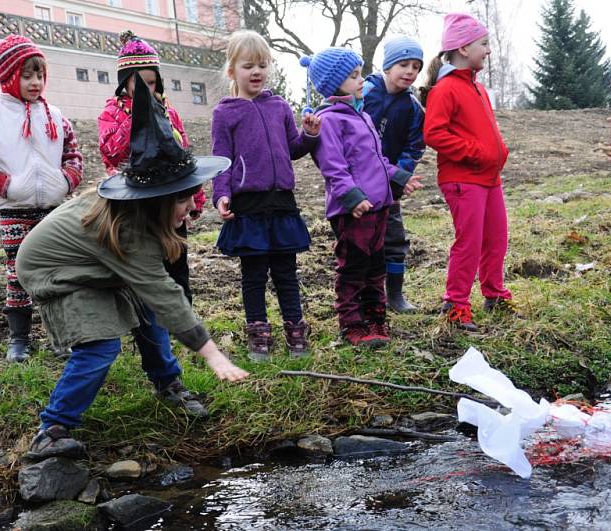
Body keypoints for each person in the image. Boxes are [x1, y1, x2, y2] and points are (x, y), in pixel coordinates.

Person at [17, 73, 249, 460]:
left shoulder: (145, 218)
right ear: (155, 200)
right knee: (101, 345)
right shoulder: (130, 231)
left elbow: (156, 296)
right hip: (55, 272)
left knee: (147, 312)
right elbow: (163, 292)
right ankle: (53, 428)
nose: (192, 207)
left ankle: (168, 384)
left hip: (91, 265)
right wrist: (213, 354)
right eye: (182, 200)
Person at [97, 31, 208, 417]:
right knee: (146, 286)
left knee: (175, 272)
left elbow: (183, 155)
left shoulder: (169, 111)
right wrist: (141, 122)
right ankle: (160, 363)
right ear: (124, 82)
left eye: (151, 81)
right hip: (135, 210)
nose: (147, 88)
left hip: (169, 209)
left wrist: (194, 199)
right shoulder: (113, 113)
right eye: (138, 82)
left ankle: (180, 329)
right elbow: (112, 150)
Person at [0, 34, 83, 362]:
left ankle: (62, 337)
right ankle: (19, 339)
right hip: (15, 208)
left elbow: (73, 155)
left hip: (54, 208)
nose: (36, 82)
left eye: (40, 75)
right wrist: (4, 185)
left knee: (58, 271)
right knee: (18, 273)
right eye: (27, 75)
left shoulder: (55, 115)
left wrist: (66, 180)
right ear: (8, 76)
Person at [300, 47, 421, 348]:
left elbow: (378, 160)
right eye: (353, 76)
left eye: (359, 74)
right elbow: (333, 167)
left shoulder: (362, 115)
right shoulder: (329, 120)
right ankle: (352, 324)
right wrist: (352, 198)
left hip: (379, 206)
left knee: (375, 266)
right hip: (354, 210)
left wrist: (400, 178)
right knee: (353, 268)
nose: (361, 81)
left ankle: (375, 318)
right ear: (333, 83)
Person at [211, 30, 321, 361]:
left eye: (262, 65)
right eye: (248, 66)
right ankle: (258, 335)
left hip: (282, 204)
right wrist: (221, 195)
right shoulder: (225, 113)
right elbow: (221, 161)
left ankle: (295, 332)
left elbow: (292, 148)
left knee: (287, 273)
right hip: (249, 206)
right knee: (254, 275)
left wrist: (310, 135)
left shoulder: (279, 106)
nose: (256, 72)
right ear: (232, 71)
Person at [420, 13, 513, 333]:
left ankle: (495, 294)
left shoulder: (478, 88)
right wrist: (477, 153)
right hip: (462, 179)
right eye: (483, 44)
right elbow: (434, 134)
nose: (488, 50)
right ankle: (456, 304)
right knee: (469, 242)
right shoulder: (445, 89)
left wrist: (498, 150)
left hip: (489, 178)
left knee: (497, 238)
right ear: (462, 48)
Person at [363, 35, 426, 314]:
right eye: (404, 64)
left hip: (391, 186)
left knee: (394, 238)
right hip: (361, 182)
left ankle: (396, 295)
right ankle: (363, 294)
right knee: (361, 241)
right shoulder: (364, 92)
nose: (410, 71)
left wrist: (399, 174)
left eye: (416, 66)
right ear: (387, 67)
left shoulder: (413, 107)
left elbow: (415, 146)